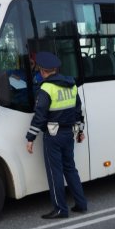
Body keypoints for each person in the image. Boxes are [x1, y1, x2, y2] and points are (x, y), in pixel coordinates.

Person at [26, 51, 87, 219]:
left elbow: (40, 116)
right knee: (70, 168)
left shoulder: (46, 88)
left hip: (53, 136)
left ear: (43, 71)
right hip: (69, 134)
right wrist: (80, 131)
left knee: (55, 173)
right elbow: (78, 111)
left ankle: (60, 209)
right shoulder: (72, 84)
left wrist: (30, 138)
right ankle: (81, 204)